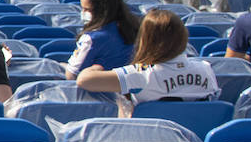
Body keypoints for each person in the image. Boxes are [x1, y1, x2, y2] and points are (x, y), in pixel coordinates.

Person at [77, 8, 217, 105]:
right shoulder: (205, 69)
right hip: (196, 141)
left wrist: (97, 66)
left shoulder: (141, 74)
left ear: (145, 39)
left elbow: (84, 80)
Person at [65, 0, 139, 79]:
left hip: (100, 89)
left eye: (87, 9)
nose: (83, 13)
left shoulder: (91, 38)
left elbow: (71, 75)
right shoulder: (134, 26)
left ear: (102, 11)